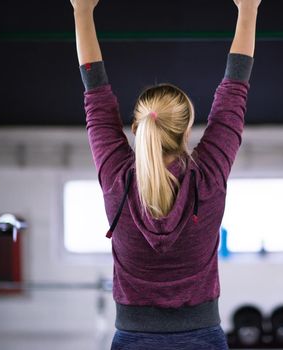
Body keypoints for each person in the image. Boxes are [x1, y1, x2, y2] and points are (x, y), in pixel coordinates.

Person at [70, 0, 261, 348]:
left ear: (136, 127)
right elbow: (234, 93)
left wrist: (81, 11)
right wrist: (248, 9)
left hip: (132, 337)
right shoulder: (208, 176)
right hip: (202, 336)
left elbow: (96, 97)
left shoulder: (118, 177)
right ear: (186, 131)